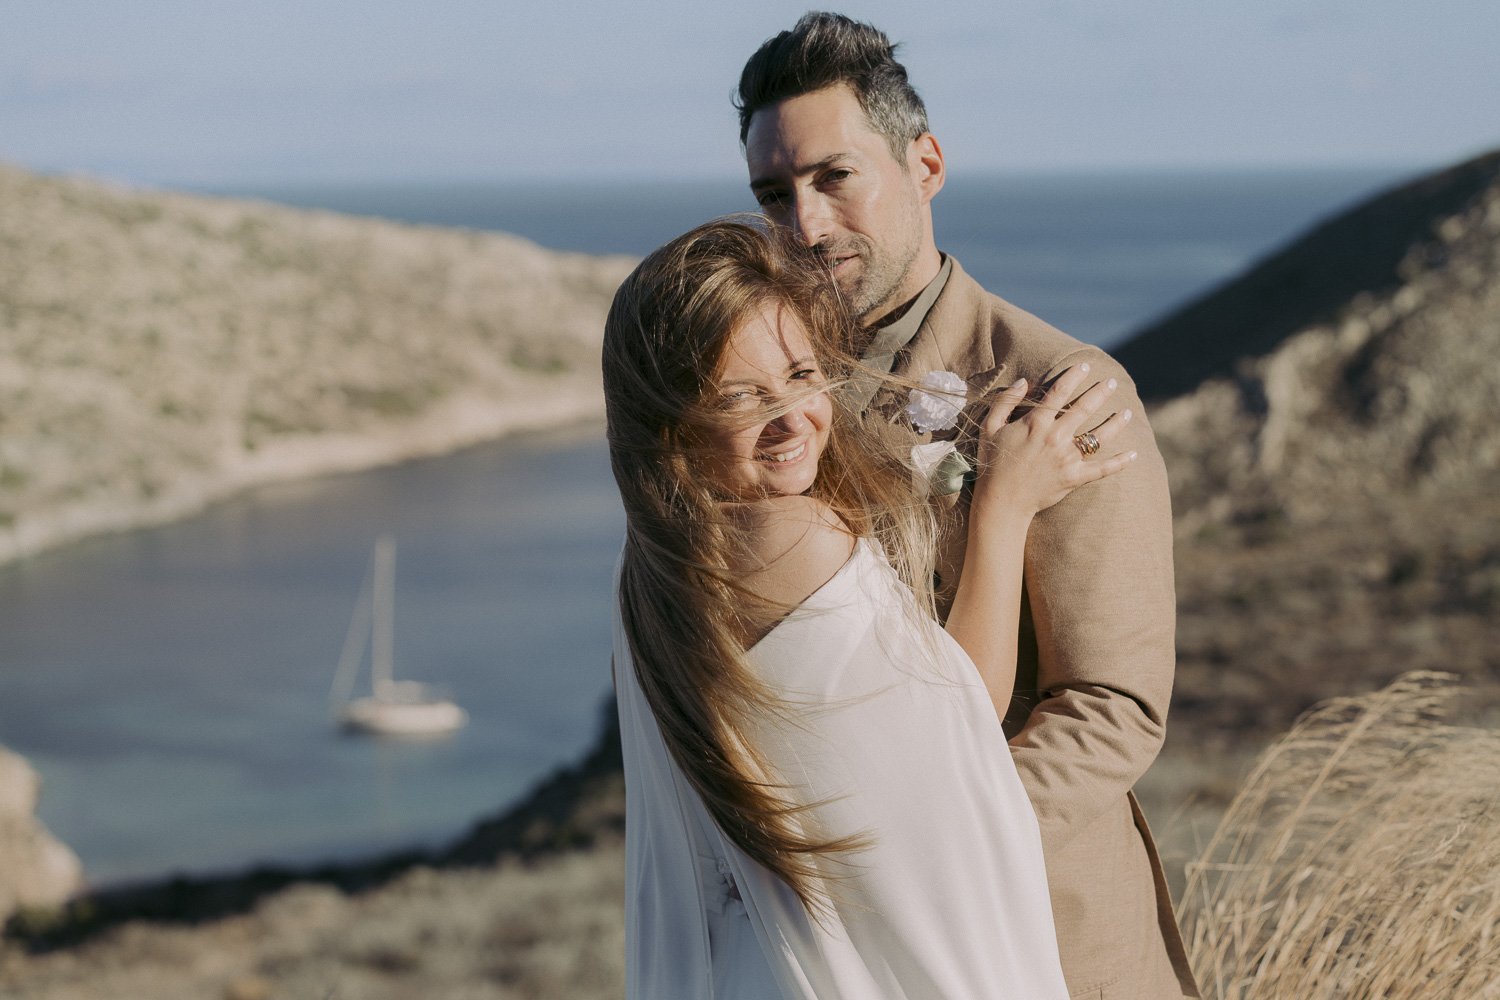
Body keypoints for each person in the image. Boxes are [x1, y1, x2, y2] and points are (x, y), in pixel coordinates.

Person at [734, 13, 1200, 1000]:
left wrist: (914, 863)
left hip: (1039, 937)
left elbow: (1109, 708)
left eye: (834, 178)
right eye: (775, 194)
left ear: (926, 163)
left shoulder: (1057, 388)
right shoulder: (764, 395)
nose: (805, 224)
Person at [603, 217, 1134, 998]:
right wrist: (1005, 509)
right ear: (675, 423)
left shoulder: (653, 567)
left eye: (800, 374)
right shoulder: (793, 538)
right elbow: (962, 720)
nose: (792, 420)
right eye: (743, 398)